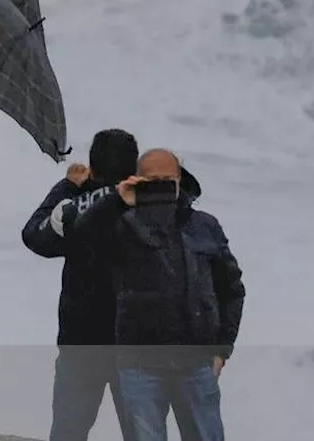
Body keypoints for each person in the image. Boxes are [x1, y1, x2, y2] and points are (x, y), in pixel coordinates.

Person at [69, 148, 244, 441]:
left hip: (196, 361)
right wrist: (116, 201)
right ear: (137, 181)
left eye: (168, 180)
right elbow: (80, 238)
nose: (161, 187)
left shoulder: (204, 226)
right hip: (139, 365)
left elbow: (232, 289)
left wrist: (222, 348)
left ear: (180, 181)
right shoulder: (121, 225)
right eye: (153, 181)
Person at [21, 129, 141, 441]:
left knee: (69, 430)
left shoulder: (76, 206)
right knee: (143, 429)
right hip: (138, 339)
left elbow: (34, 234)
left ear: (93, 165)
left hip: (81, 337)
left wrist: (67, 186)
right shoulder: (149, 206)